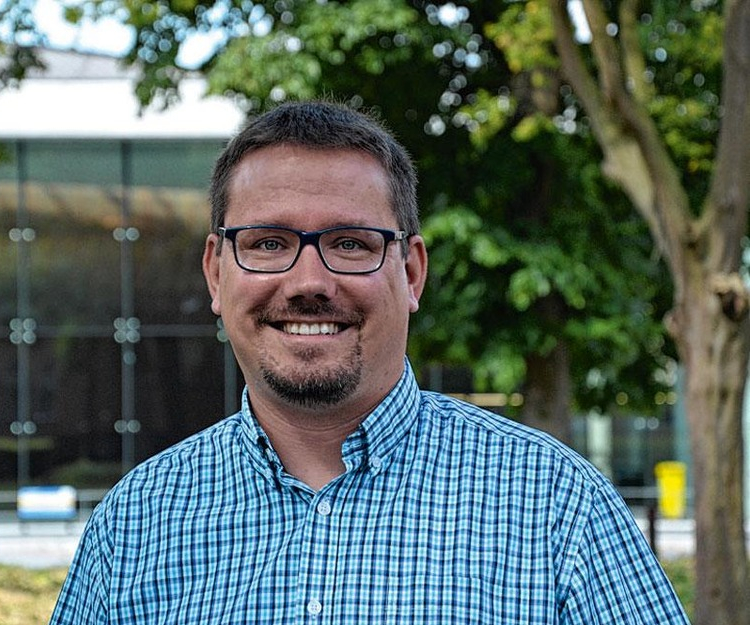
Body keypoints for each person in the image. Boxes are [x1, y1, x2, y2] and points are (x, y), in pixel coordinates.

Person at [49, 100, 690, 624]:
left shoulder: (558, 509)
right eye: (268, 243)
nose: (309, 281)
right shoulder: (135, 526)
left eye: (350, 244)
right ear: (217, 273)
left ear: (411, 272)